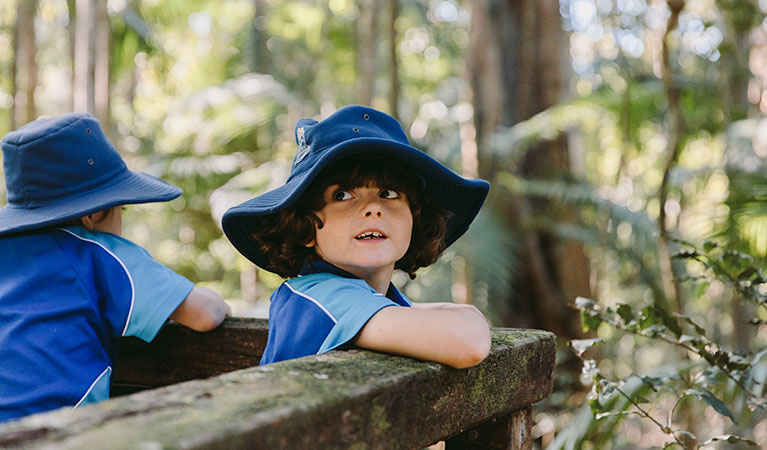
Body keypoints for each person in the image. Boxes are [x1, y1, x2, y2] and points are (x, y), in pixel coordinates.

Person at [0, 113, 230, 423]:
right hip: (53, 434)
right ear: (93, 216)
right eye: (121, 209)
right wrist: (220, 301)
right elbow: (204, 315)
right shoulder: (99, 253)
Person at [222, 105, 491, 369]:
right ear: (305, 228)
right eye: (342, 195)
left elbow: (466, 317)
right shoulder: (321, 296)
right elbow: (469, 341)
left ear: (415, 219)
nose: (373, 208)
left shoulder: (369, 299)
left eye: (389, 193)